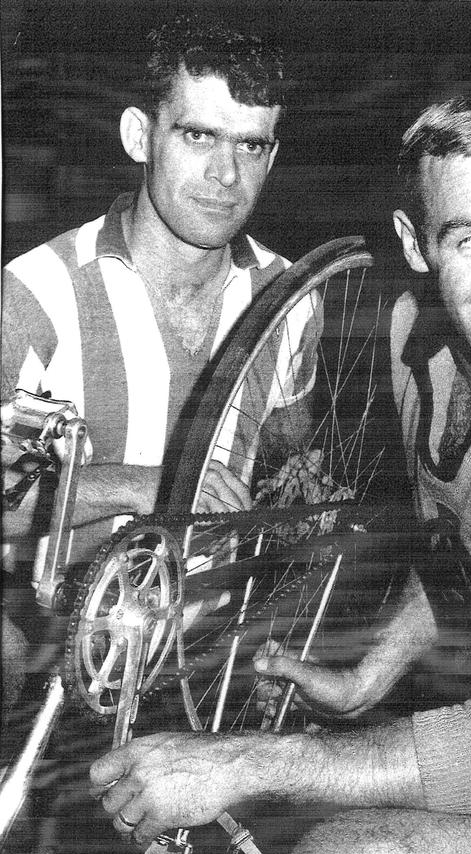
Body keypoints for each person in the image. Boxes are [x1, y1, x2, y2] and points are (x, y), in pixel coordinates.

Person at [90, 91, 471, 854]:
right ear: (416, 245)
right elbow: (463, 543)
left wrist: (236, 761)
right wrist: (367, 678)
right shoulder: (413, 338)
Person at [1, 12, 305, 555]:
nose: (227, 174)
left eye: (251, 146)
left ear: (272, 155)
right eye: (198, 136)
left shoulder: (290, 296)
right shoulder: (36, 293)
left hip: (224, 632)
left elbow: (292, 470)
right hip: (68, 630)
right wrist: (146, 485)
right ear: (139, 137)